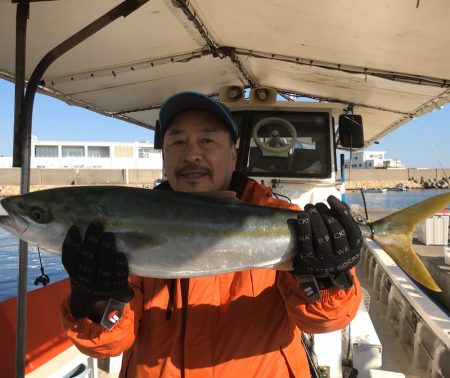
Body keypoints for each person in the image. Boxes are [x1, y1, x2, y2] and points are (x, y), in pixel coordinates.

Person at [61, 92, 363, 377]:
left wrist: (328, 280)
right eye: (177, 142)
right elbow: (110, 343)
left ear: (233, 155)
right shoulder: (129, 223)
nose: (192, 153)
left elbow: (326, 320)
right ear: (164, 157)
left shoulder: (289, 222)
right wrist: (95, 303)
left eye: (207, 140)